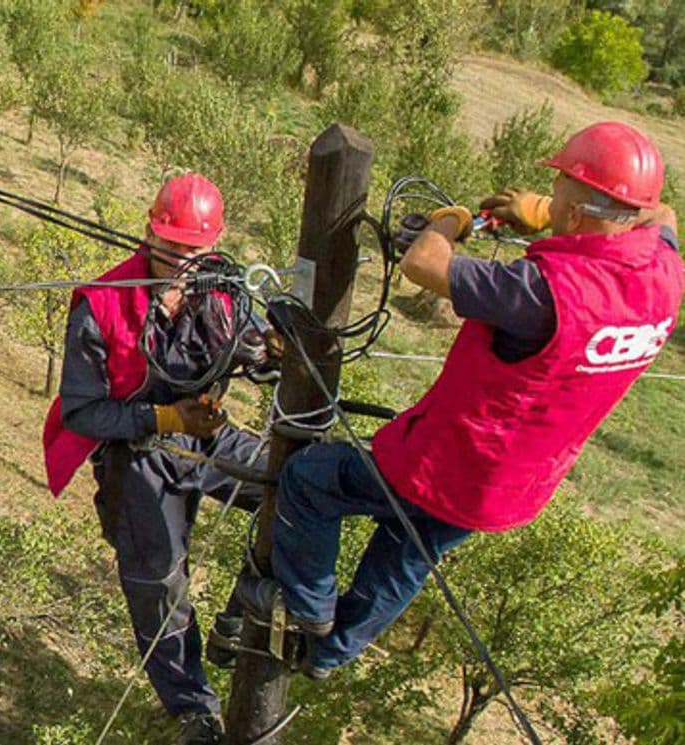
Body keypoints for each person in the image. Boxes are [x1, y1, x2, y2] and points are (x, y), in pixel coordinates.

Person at [238, 121, 683, 681]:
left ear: (576, 214)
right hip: (512, 487)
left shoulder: (545, 292)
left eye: (559, 194)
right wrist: (545, 210)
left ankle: (306, 610)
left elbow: (423, 264)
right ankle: (329, 653)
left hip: (448, 463)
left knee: (311, 480)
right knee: (410, 548)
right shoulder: (664, 270)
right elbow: (661, 213)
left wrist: (451, 222)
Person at [42, 173, 275, 745]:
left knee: (299, 481)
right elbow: (83, 412)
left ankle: (247, 605)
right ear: (150, 232)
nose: (181, 263)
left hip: (208, 438)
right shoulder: (102, 305)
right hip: (138, 455)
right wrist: (166, 419)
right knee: (158, 583)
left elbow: (258, 346)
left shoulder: (223, 293)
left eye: (194, 251)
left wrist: (277, 347)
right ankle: (194, 708)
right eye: (171, 248)